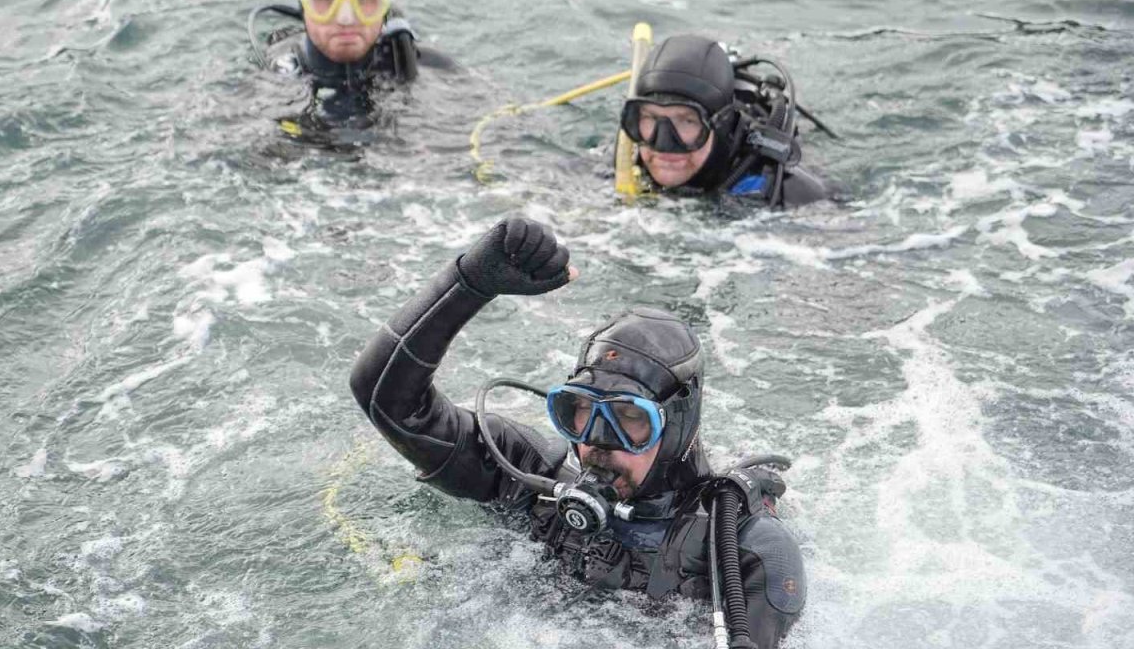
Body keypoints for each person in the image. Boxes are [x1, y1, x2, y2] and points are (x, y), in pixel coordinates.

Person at [349, 216, 806, 649]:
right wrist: (469, 284)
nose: (597, 442)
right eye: (581, 412)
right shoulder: (531, 482)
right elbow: (388, 403)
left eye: (629, 420)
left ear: (676, 425)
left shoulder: (746, 550)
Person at [253, 0, 450, 128]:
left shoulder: (424, 67)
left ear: (383, 5)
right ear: (303, 5)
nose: (346, 18)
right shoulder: (274, 78)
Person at [619, 34, 833, 208]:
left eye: (687, 121)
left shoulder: (790, 192)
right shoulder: (625, 157)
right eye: (651, 118)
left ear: (720, 124)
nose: (663, 143)